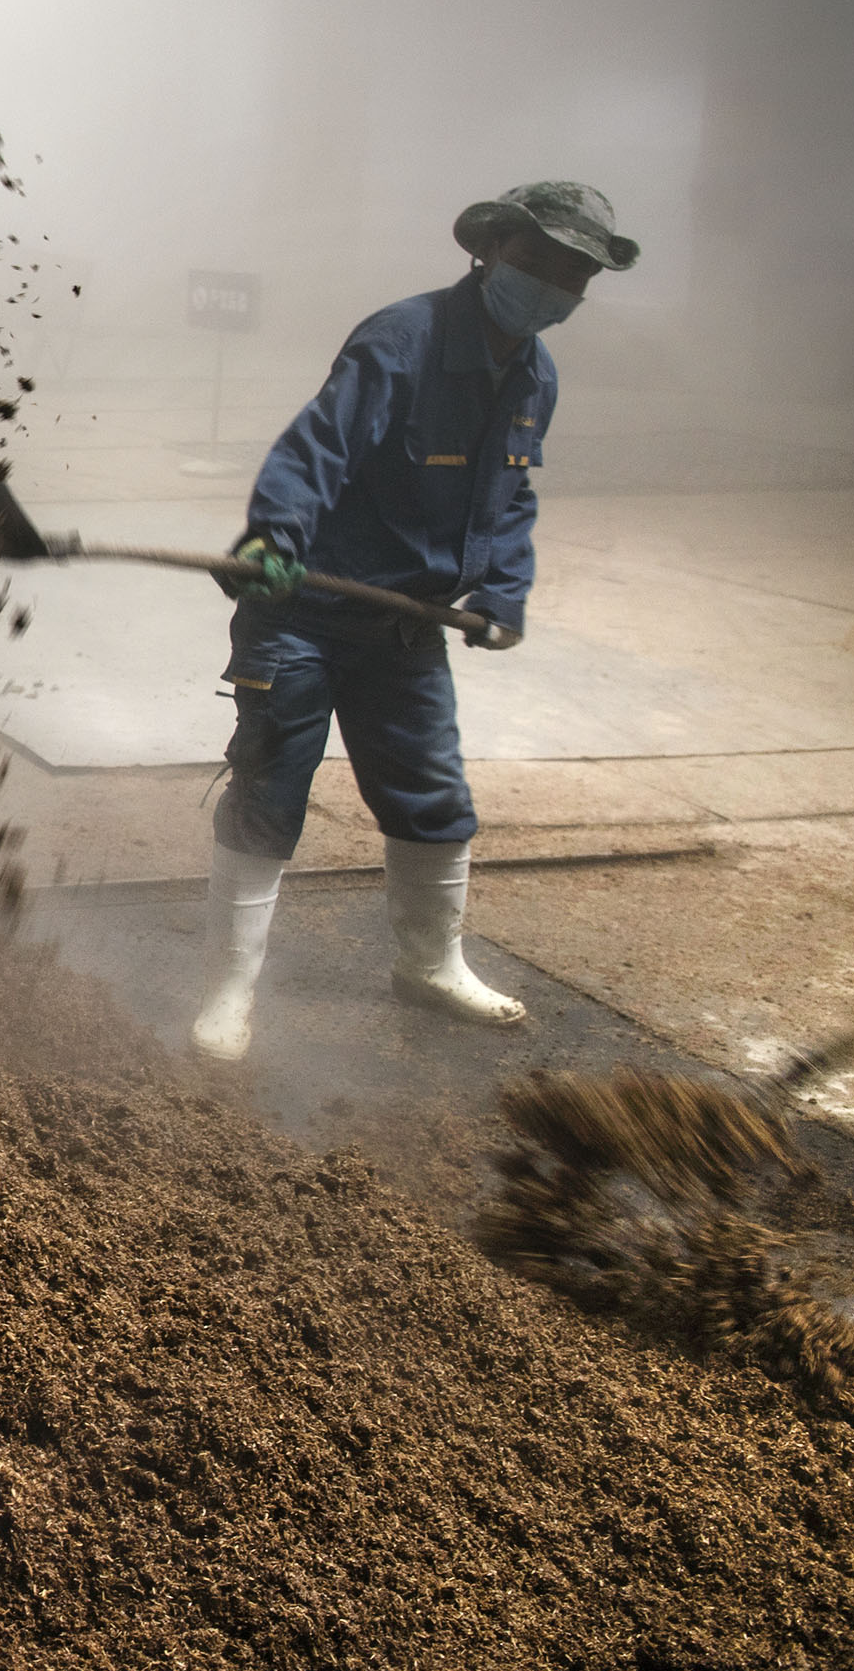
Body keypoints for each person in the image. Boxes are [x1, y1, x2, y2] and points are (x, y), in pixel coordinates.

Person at [191, 181, 638, 1061]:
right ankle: (228, 989)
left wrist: (503, 594)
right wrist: (275, 536)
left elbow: (509, 499)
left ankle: (430, 966)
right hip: (306, 611)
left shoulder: (534, 374)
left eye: (573, 273)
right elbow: (318, 447)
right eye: (537, 259)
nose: (552, 282)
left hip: (406, 624)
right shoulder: (405, 337)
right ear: (492, 251)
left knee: (431, 794)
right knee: (271, 789)